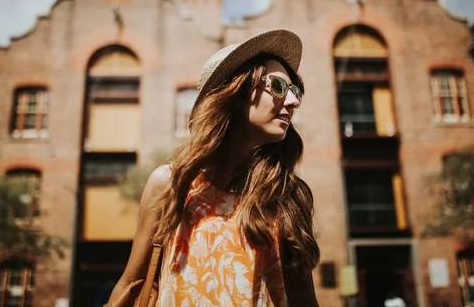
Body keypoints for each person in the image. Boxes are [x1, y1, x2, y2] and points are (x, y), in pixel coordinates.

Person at [106, 29, 320, 306]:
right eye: (278, 87)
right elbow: (130, 283)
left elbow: (305, 301)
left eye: (294, 91)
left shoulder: (288, 197)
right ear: (236, 94)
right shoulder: (171, 185)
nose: (292, 102)